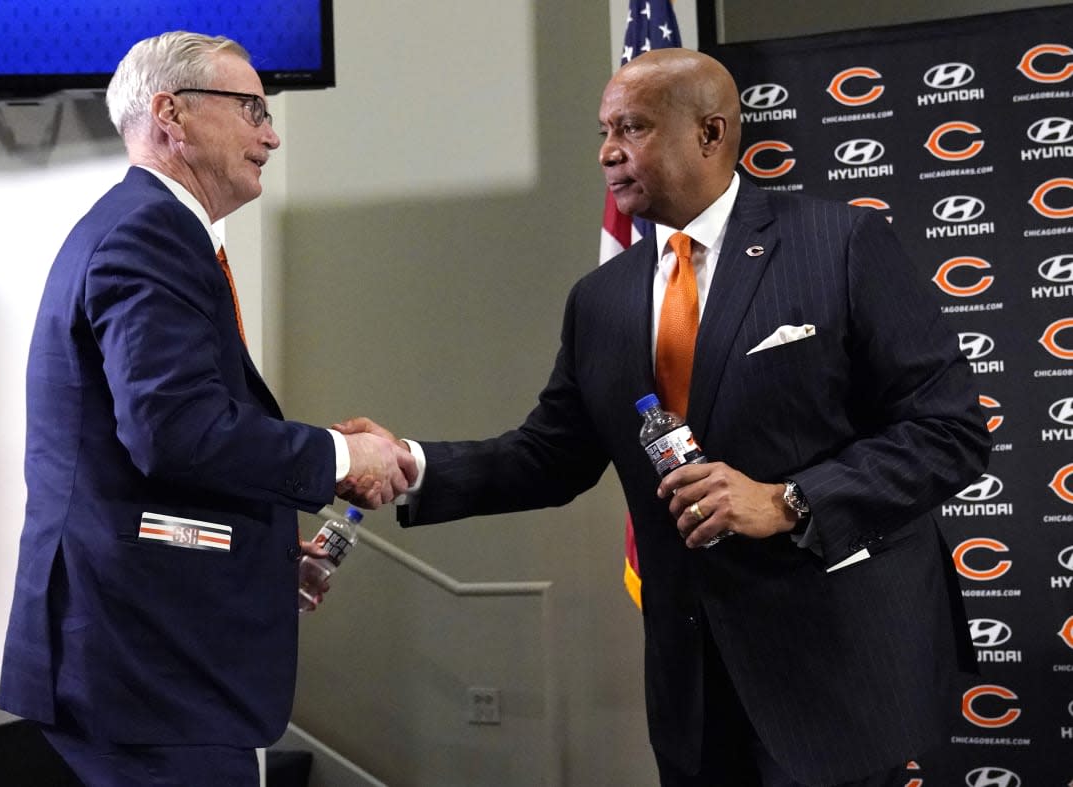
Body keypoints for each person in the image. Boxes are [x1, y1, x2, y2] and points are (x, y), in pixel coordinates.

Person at [338, 48, 990, 786]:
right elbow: (550, 455)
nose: (607, 152)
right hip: (693, 684)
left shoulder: (839, 245)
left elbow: (951, 431)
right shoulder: (602, 299)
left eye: (633, 127)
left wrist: (787, 500)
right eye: (604, 130)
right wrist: (410, 465)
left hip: (835, 669)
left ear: (711, 133)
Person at [0, 31, 416, 786]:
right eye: (251, 107)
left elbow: (157, 455)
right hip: (147, 675)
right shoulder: (149, 234)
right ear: (172, 116)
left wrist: (263, 561)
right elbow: (176, 432)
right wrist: (346, 456)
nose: (272, 131)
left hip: (146, 665)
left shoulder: (146, 228)